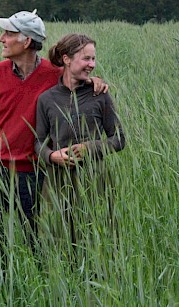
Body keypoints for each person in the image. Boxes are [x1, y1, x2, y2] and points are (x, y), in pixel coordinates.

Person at [0, 10, 107, 275]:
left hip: (35, 174)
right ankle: (4, 291)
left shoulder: (53, 74)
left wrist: (96, 82)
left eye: (8, 34)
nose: (1, 39)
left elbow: (82, 80)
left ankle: (43, 287)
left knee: (37, 241)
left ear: (27, 42)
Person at [34, 33, 126, 263]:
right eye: (86, 59)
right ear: (66, 59)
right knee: (58, 244)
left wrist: (89, 147)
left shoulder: (100, 95)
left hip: (95, 180)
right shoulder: (46, 99)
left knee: (99, 243)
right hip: (57, 182)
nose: (92, 65)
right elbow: (38, 142)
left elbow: (119, 138)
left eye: (93, 59)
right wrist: (52, 155)